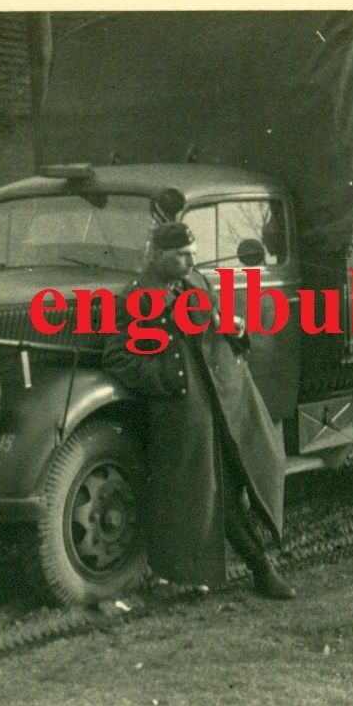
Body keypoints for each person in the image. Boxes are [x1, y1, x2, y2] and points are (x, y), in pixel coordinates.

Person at [102, 221, 296, 600]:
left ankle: (246, 566)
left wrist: (235, 330)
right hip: (187, 409)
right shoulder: (135, 299)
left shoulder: (197, 283)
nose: (191, 261)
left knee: (255, 470)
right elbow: (117, 357)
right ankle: (261, 569)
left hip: (227, 399)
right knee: (214, 494)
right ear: (158, 255)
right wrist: (168, 380)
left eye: (192, 253)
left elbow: (220, 326)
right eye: (181, 255)